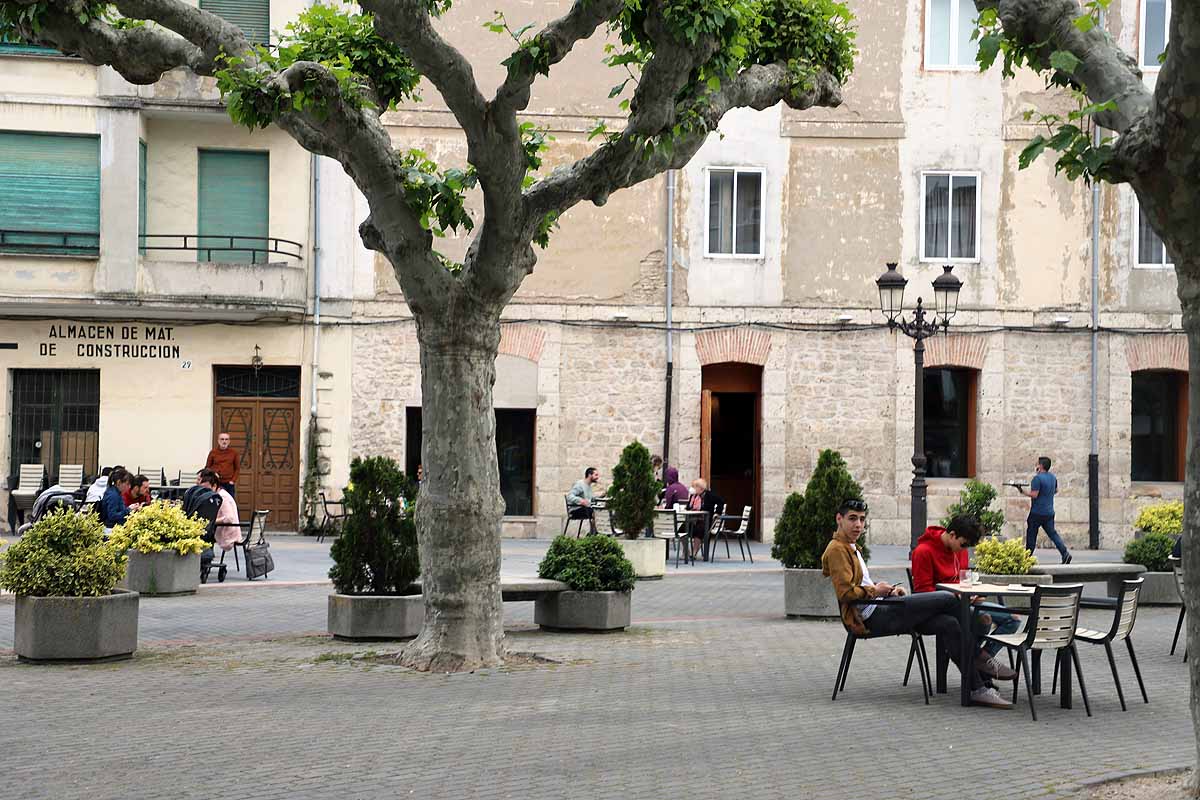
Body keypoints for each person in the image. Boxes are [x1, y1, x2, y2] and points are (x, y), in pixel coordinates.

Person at [822, 498, 1011, 708]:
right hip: (871, 617)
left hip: (884, 605)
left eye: (862, 519)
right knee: (949, 599)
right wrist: (876, 591)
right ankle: (980, 658)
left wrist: (888, 590)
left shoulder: (851, 547)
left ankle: (978, 688)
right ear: (839, 519)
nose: (858, 524)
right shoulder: (837, 549)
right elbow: (846, 593)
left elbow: (859, 584)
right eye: (852, 519)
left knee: (950, 624)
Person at [911, 515, 1020, 681]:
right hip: (939, 610)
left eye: (968, 547)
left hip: (964, 602)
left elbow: (963, 581)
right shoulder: (923, 551)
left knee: (1013, 619)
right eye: (963, 545)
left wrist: (974, 594)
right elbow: (923, 595)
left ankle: (980, 663)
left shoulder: (959, 550)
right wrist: (957, 596)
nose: (964, 550)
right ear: (952, 534)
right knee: (983, 619)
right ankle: (976, 663)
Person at [1016, 456, 1071, 564]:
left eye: (1037, 464)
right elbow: (1055, 491)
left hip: (1037, 512)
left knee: (1031, 534)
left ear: (1040, 466)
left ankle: (1027, 557)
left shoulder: (1037, 479)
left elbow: (1034, 495)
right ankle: (1065, 553)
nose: (1036, 465)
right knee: (1053, 534)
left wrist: (1021, 490)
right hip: (1049, 512)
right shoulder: (1053, 477)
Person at [198, 469, 241, 551]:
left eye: (206, 489)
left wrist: (212, 521)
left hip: (228, 535)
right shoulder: (219, 495)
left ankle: (205, 558)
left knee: (201, 530)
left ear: (214, 486)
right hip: (224, 530)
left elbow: (229, 518)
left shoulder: (222, 497)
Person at [687, 479, 724, 558]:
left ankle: (694, 552)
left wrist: (717, 512)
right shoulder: (693, 496)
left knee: (699, 529)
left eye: (695, 486)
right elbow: (688, 507)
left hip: (705, 522)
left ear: (701, 488)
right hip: (693, 520)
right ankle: (687, 551)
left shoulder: (709, 495)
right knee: (682, 528)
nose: (693, 488)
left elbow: (721, 501)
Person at [565, 467, 601, 535]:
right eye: (596, 475)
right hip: (575, 510)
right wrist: (580, 500)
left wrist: (601, 496)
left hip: (585, 509)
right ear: (590, 475)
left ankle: (593, 533)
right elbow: (569, 496)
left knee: (598, 510)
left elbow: (589, 499)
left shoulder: (589, 486)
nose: (597, 477)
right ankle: (594, 534)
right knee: (594, 511)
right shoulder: (580, 484)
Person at [204, 432, 241, 497]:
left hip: (228, 483)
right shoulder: (213, 452)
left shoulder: (234, 453)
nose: (224, 441)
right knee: (215, 502)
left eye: (226, 439)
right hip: (215, 482)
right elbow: (207, 467)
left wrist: (232, 481)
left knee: (229, 502)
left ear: (229, 441)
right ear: (218, 441)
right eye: (222, 439)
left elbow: (237, 468)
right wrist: (213, 474)